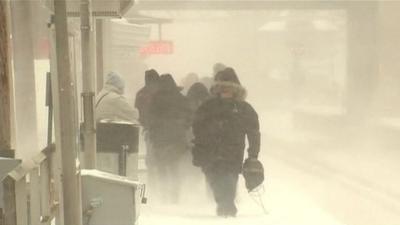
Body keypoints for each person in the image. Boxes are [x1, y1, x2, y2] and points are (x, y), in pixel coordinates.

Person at [192, 67, 260, 217]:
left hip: (233, 153)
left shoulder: (244, 108)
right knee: (215, 181)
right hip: (209, 152)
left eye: (228, 88)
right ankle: (225, 206)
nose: (225, 91)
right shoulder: (207, 106)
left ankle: (227, 207)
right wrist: (198, 147)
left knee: (229, 181)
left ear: (235, 90)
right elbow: (197, 127)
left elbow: (254, 132)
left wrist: (253, 154)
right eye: (222, 88)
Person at [147, 74, 192, 204]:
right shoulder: (181, 99)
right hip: (177, 139)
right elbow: (190, 116)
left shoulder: (155, 99)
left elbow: (150, 119)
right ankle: (175, 196)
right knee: (174, 167)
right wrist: (183, 125)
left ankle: (163, 195)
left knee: (161, 167)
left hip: (159, 139)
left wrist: (153, 132)